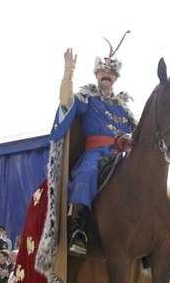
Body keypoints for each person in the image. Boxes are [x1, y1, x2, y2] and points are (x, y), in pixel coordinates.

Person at [53, 45, 137, 255]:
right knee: (87, 172)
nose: (106, 75)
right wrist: (68, 71)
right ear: (96, 74)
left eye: (111, 72)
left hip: (123, 155)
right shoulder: (87, 97)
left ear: (116, 76)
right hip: (96, 153)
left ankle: (159, 233)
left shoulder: (125, 107)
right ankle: (78, 231)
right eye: (103, 71)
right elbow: (65, 102)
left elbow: (138, 133)